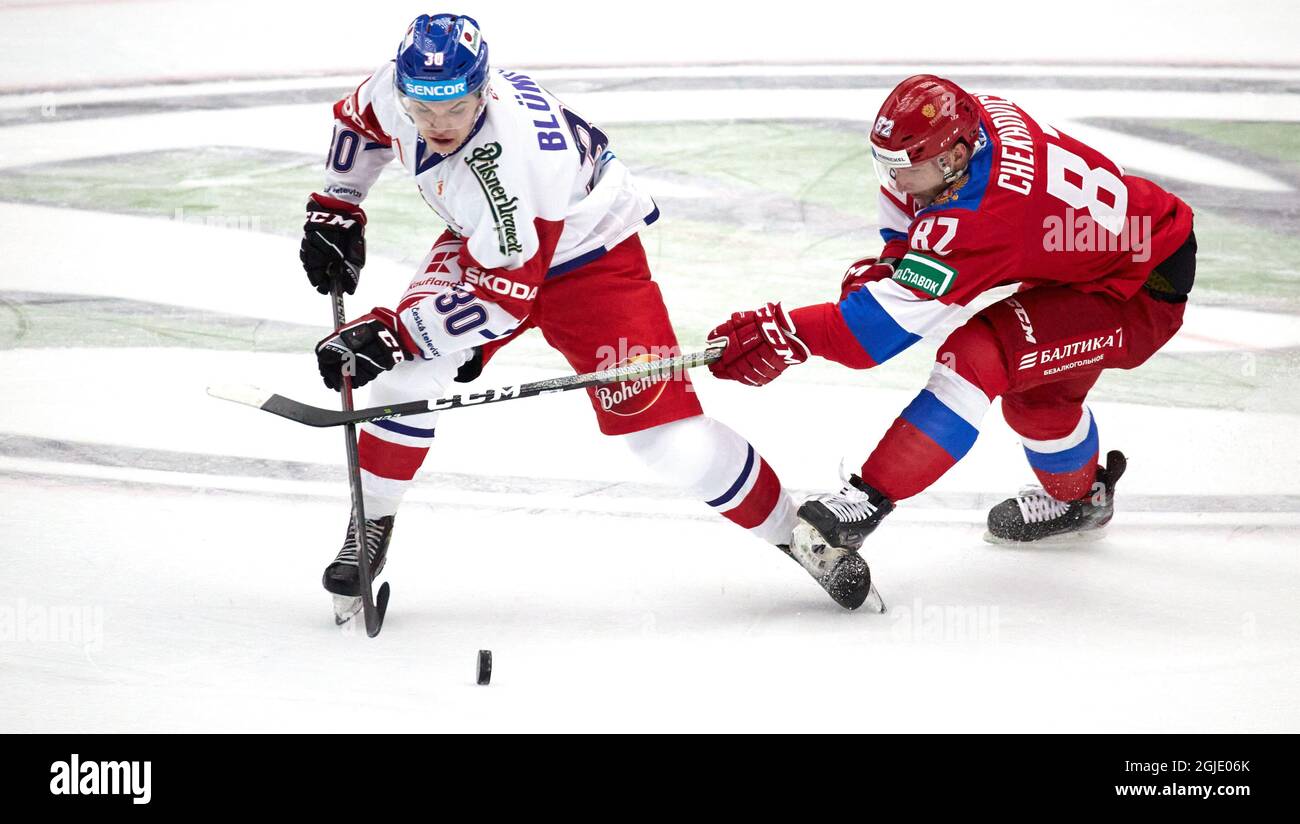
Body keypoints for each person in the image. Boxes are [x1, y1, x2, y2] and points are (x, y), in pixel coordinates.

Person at [299, 13, 864, 621]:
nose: (437, 125)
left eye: (455, 110)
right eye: (423, 109)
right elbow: (359, 122)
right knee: (401, 379)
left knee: (666, 439)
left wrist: (396, 331)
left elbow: (499, 302)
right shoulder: (405, 85)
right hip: (485, 247)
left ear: (484, 90)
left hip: (591, 263)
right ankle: (372, 522)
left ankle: (798, 535)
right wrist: (338, 203)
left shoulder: (511, 167)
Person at [706, 74, 1194, 589]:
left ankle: (866, 503)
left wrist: (784, 331)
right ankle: (1083, 501)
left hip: (1140, 289)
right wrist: (895, 261)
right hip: (1107, 259)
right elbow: (910, 213)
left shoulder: (979, 218)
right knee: (1038, 401)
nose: (894, 181)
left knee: (977, 356)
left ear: (954, 159)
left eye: (906, 169)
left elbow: (869, 338)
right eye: (885, 164)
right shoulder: (976, 121)